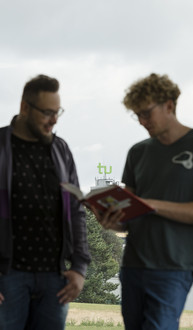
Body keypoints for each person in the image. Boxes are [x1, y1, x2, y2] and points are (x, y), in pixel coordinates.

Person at [94, 73, 193, 329]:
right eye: (137, 115)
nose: (142, 121)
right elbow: (129, 215)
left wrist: (154, 205)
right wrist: (110, 221)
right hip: (132, 266)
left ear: (169, 105)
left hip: (173, 268)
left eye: (146, 113)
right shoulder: (138, 152)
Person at [0, 74, 91, 329]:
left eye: (58, 112)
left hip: (56, 278)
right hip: (8, 277)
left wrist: (80, 267)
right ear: (24, 107)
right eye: (47, 112)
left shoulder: (61, 150)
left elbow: (76, 210)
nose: (54, 120)